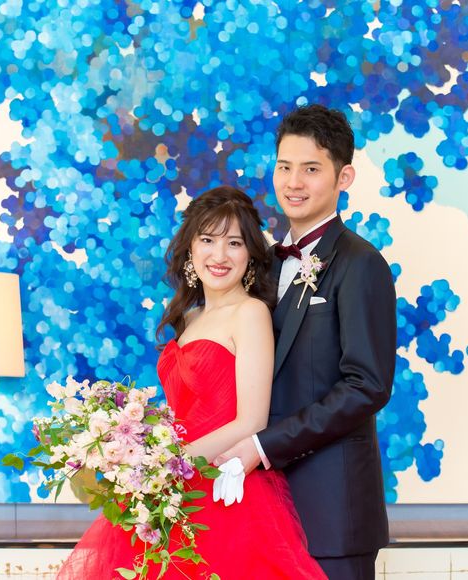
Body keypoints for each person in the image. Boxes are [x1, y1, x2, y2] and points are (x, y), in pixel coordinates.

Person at [57, 186, 326, 579]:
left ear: (250, 255)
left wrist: (166, 463)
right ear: (190, 249)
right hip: (173, 489)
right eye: (208, 240)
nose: (219, 255)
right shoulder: (189, 318)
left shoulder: (250, 313)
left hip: (222, 486)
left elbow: (250, 422)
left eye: (234, 243)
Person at [215, 104, 397, 580]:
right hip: (258, 507)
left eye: (311, 169)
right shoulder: (263, 265)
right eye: (284, 167)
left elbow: (367, 386)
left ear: (344, 177)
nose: (293, 182)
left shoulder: (361, 264)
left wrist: (263, 446)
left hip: (332, 512)